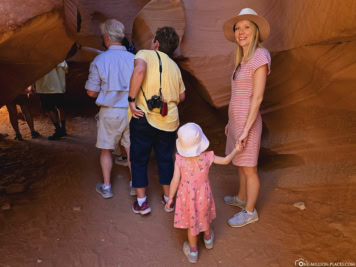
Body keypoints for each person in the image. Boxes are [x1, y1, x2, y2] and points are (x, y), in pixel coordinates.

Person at [128, 26, 186, 215]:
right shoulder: (175, 67)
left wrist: (131, 99)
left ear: (157, 43)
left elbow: (139, 70)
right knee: (165, 159)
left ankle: (142, 202)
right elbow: (182, 96)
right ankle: (168, 199)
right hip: (168, 120)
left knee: (138, 158)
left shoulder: (145, 53)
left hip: (143, 116)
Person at [222, 8, 271, 227]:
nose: (241, 32)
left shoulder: (260, 55)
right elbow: (238, 95)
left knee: (249, 167)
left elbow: (257, 97)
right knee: (240, 163)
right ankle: (241, 198)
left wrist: (245, 130)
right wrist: (230, 123)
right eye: (237, 28)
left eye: (246, 27)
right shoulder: (243, 59)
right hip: (237, 122)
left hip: (247, 123)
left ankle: (250, 211)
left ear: (256, 31)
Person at [165, 123, 240, 263]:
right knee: (204, 215)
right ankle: (208, 239)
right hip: (203, 195)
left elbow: (175, 180)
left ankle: (193, 252)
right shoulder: (207, 157)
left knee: (191, 224)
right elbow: (225, 160)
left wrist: (170, 198)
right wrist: (236, 149)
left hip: (186, 198)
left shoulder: (180, 160)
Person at [85, 19, 134, 199]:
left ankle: (106, 187)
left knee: (106, 150)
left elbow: (91, 91)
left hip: (110, 111)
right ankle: (135, 185)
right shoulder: (134, 59)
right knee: (131, 149)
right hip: (131, 110)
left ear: (106, 37)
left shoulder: (100, 60)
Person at [35, 61, 68, 140]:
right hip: (59, 87)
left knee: (49, 109)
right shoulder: (59, 58)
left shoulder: (37, 59)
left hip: (44, 88)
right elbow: (65, 69)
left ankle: (58, 130)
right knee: (61, 107)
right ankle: (63, 129)